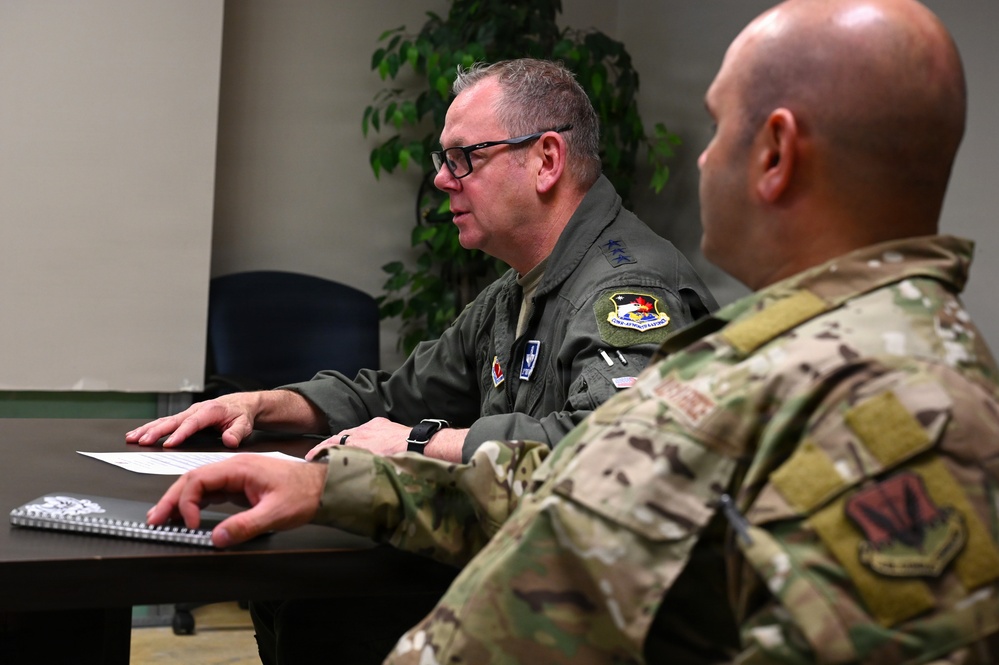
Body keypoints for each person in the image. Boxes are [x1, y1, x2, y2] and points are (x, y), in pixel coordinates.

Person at [149, 0, 999, 662]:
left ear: (774, 152)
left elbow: (587, 464)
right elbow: (602, 485)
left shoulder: (887, 399)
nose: (700, 161)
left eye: (716, 127)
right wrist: (320, 465)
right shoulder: (804, 350)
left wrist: (407, 446)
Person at [125, 58, 716, 465]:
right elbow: (398, 397)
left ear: (546, 160)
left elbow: (616, 441)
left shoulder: (627, 290)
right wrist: (261, 404)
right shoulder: (520, 289)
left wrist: (418, 442)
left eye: (464, 157)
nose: (441, 179)